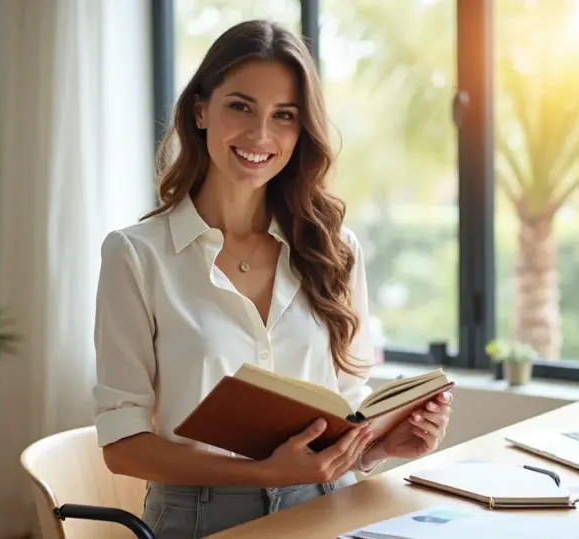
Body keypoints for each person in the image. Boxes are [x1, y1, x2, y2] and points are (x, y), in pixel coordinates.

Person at [92, 19, 453, 538]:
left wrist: (380, 447)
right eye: (240, 106)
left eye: (284, 116)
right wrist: (261, 474)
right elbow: (121, 446)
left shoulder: (335, 250)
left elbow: (347, 405)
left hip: (328, 507)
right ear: (200, 110)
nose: (261, 135)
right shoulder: (136, 255)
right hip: (199, 518)